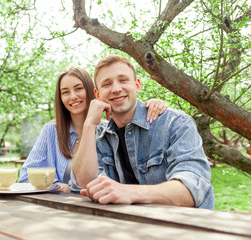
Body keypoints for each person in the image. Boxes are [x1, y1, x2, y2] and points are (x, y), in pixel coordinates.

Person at [71, 55, 214, 209]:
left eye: (123, 80)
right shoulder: (98, 135)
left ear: (137, 85)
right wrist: (89, 123)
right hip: (127, 226)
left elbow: (193, 189)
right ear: (98, 95)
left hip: (184, 227)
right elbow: (82, 185)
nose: (116, 88)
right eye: (107, 84)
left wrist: (129, 192)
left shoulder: (175, 123)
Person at [19, 66, 168, 192]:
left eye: (78, 88)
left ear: (92, 91)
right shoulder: (51, 131)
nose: (73, 96)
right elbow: (25, 177)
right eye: (65, 92)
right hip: (56, 207)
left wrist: (154, 104)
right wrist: (60, 187)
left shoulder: (106, 130)